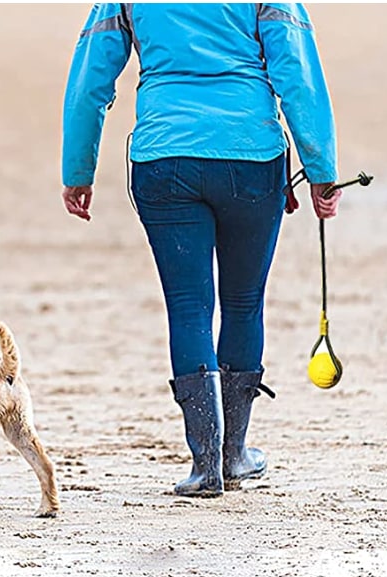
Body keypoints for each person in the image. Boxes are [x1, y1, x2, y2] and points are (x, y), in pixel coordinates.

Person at [61, 4, 342, 497]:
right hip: (251, 156)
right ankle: (235, 454)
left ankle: (204, 464)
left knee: (188, 308)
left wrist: (77, 170)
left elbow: (90, 84)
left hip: (164, 157)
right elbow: (296, 76)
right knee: (243, 303)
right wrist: (321, 169)